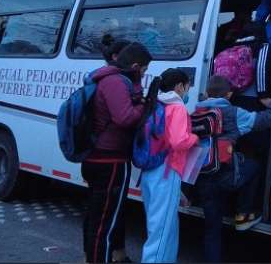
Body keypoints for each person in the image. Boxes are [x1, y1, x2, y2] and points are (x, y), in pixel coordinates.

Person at [195, 75, 271, 262]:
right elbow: (267, 119)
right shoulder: (234, 113)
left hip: (202, 177)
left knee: (212, 229)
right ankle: (244, 213)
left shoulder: (196, 111)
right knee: (255, 166)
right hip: (226, 176)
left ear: (207, 93)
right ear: (229, 94)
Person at [81, 42, 152, 264]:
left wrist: (137, 85)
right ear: (134, 65)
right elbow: (125, 118)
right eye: (144, 69)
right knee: (104, 224)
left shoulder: (107, 78)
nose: (144, 73)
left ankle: (90, 258)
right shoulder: (115, 82)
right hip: (110, 160)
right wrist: (145, 106)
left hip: (97, 156)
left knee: (96, 216)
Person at [141, 68, 198, 263]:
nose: (187, 92)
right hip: (167, 170)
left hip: (149, 171)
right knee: (162, 229)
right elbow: (179, 141)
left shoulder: (155, 103)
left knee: (162, 224)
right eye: (187, 87)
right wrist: (195, 137)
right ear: (180, 86)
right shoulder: (177, 107)